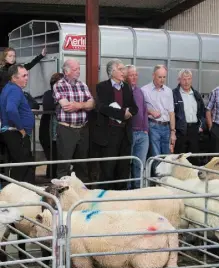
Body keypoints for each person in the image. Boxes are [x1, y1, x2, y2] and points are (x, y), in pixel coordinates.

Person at [94, 60, 137, 190]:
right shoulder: (102, 87)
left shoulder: (127, 87)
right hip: (109, 133)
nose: (124, 72)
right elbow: (102, 107)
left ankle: (121, 197)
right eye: (120, 69)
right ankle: (105, 198)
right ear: (112, 72)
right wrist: (122, 113)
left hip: (125, 133)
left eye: (124, 69)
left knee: (123, 168)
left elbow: (135, 108)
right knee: (108, 168)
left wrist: (129, 112)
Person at [53, 59, 94, 181]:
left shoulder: (83, 85)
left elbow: (92, 104)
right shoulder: (58, 85)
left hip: (82, 128)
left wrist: (78, 105)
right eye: (75, 69)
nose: (78, 72)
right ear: (66, 71)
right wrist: (84, 104)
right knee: (64, 165)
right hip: (66, 129)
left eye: (79, 69)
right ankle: (63, 195)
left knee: (82, 164)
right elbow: (67, 107)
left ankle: (81, 195)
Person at [0, 64, 35, 183]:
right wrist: (21, 129)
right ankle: (16, 193)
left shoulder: (9, 88)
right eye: (24, 75)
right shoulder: (14, 90)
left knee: (24, 164)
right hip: (15, 133)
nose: (27, 78)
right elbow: (11, 109)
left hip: (12, 132)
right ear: (14, 78)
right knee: (22, 165)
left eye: (27, 75)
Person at [141, 65, 176, 158]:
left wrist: (173, 132)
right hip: (153, 126)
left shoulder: (168, 91)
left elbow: (171, 112)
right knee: (155, 156)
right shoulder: (144, 90)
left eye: (164, 77)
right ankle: (155, 173)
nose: (162, 80)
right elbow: (140, 109)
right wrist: (150, 111)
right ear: (153, 75)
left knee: (167, 157)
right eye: (160, 77)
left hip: (167, 127)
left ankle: (164, 173)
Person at [173, 69, 205, 165]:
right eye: (184, 79)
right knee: (180, 158)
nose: (186, 82)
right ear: (179, 80)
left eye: (189, 79)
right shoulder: (174, 94)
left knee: (194, 157)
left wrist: (201, 126)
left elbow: (202, 111)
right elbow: (171, 113)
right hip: (180, 130)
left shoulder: (196, 94)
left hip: (194, 130)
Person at [39, 72, 63, 179]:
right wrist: (63, 104)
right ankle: (51, 178)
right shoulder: (48, 94)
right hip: (48, 132)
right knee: (52, 156)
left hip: (61, 132)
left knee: (58, 157)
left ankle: (53, 177)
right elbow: (49, 106)